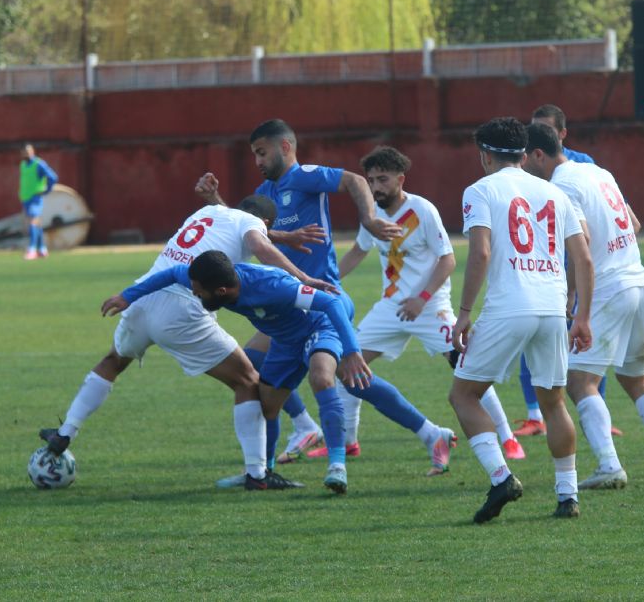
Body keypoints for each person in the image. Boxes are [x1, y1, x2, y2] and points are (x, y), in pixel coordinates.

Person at [198, 120, 453, 478]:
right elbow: (247, 232)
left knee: (335, 377)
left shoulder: (304, 176)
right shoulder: (264, 191)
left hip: (317, 299)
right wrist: (216, 202)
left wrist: (368, 218)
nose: (257, 160)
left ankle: (409, 437)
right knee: (254, 372)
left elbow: (354, 180)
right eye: (253, 154)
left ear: (285, 147)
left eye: (262, 152)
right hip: (285, 302)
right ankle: (281, 451)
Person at [39, 195, 335, 491]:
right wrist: (302, 277)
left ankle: (66, 432)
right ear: (265, 222)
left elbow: (249, 235)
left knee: (113, 362)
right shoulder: (253, 225)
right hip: (184, 304)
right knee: (247, 382)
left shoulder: (209, 211)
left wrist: (127, 294)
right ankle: (257, 475)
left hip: (145, 296)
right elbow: (259, 243)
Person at [100, 250, 374, 495]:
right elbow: (172, 273)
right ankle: (263, 474)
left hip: (320, 325)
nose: (194, 293)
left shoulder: (274, 287)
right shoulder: (208, 279)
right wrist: (127, 296)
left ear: (221, 291)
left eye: (198, 291)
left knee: (321, 376)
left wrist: (351, 351)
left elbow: (333, 303)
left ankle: (337, 465)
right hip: (284, 338)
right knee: (267, 405)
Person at [330, 145, 523, 467]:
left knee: (466, 366)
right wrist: (324, 280)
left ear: (400, 179)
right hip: (390, 308)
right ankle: (349, 442)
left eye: (382, 179)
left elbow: (448, 260)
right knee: (347, 368)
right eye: (371, 180)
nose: (375, 187)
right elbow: (356, 252)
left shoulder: (422, 210)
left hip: (430, 308)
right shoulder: (372, 216)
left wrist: (421, 299)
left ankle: (508, 438)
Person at [524, 121, 644, 488]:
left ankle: (609, 466)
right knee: (635, 379)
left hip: (609, 288)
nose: (522, 166)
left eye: (524, 158)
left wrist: (574, 302)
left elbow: (582, 245)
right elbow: (633, 223)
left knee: (580, 381)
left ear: (538, 154)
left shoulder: (562, 185)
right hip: (637, 280)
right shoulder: (598, 171)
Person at [450, 116, 594, 523]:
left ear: (484, 155)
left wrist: (463, 314)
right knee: (554, 402)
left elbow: (480, 254)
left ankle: (501, 478)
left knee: (464, 395)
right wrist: (581, 316)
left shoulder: (479, 190)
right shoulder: (552, 191)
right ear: (522, 152)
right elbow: (583, 257)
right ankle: (568, 495)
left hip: (508, 306)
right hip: (552, 308)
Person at [512, 104, 630, 439]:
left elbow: (590, 232)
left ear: (561, 135)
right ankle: (535, 415)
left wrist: (576, 286)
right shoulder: (526, 169)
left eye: (546, 128)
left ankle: (598, 416)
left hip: (578, 269)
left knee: (587, 343)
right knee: (535, 338)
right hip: (546, 268)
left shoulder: (581, 167)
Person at [19, 143, 58, 260]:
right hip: (26, 198)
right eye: (24, 151)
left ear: (33, 151)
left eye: (29, 151)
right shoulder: (23, 165)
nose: (27, 153)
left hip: (36, 197)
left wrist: (46, 190)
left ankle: (32, 249)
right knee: (37, 223)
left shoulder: (38, 164)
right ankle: (42, 249)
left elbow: (53, 177)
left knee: (33, 221)